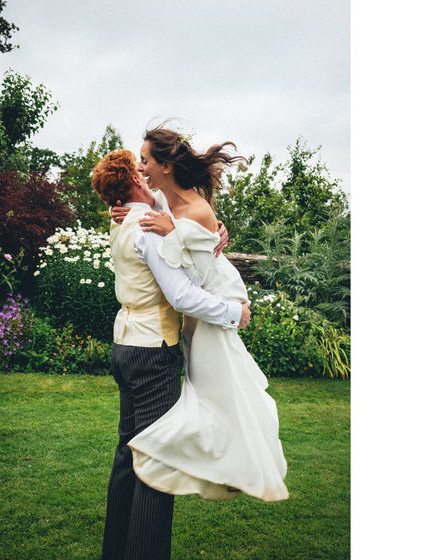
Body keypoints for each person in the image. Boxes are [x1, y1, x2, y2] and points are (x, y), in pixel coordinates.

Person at [91, 149, 252, 560]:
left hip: (125, 346)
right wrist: (235, 312)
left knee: (128, 455)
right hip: (152, 354)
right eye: (140, 175)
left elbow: (170, 213)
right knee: (157, 460)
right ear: (133, 182)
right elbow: (182, 295)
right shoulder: (147, 229)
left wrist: (209, 229)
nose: (148, 178)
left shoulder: (126, 221)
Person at [116, 126, 290, 503]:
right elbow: (179, 235)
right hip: (194, 321)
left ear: (165, 165)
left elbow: (193, 278)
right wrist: (131, 207)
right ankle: (211, 461)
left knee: (219, 396)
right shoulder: (165, 205)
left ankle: (232, 465)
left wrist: (180, 231)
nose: (141, 167)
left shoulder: (195, 210)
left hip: (210, 314)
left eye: (145, 160)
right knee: (207, 397)